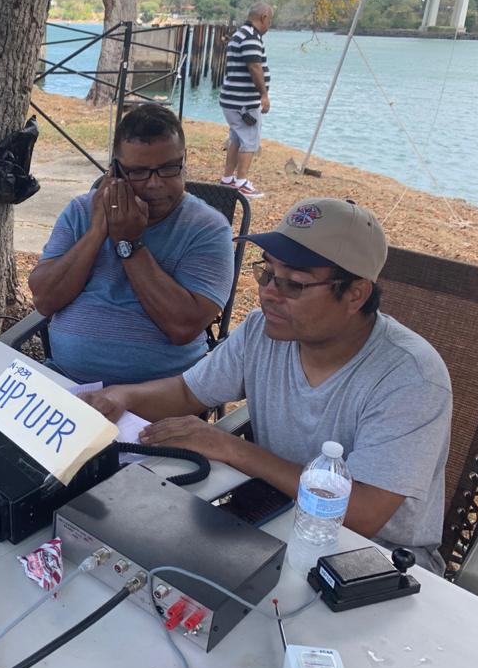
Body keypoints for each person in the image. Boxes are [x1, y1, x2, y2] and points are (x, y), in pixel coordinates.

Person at [82, 198, 452, 573]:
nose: (268, 293)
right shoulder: (263, 331)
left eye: (294, 284)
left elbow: (362, 512)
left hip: (382, 563)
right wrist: (120, 396)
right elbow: (187, 392)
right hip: (273, 520)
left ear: (355, 294)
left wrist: (229, 448)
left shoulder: (410, 378)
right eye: (267, 273)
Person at [29, 104, 234, 385]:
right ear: (115, 171)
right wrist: (98, 230)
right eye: (138, 172)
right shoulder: (81, 211)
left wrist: (129, 243)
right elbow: (45, 300)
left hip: (159, 394)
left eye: (168, 169)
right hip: (66, 381)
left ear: (184, 161)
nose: (154, 184)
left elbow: (183, 327)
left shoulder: (208, 228)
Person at [218, 1, 273, 199]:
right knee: (250, 140)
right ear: (264, 18)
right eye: (270, 20)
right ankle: (241, 182)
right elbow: (255, 67)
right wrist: (264, 94)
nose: (269, 26)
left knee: (236, 138)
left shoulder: (239, 34)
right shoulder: (250, 38)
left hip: (232, 100)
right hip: (243, 102)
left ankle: (227, 179)